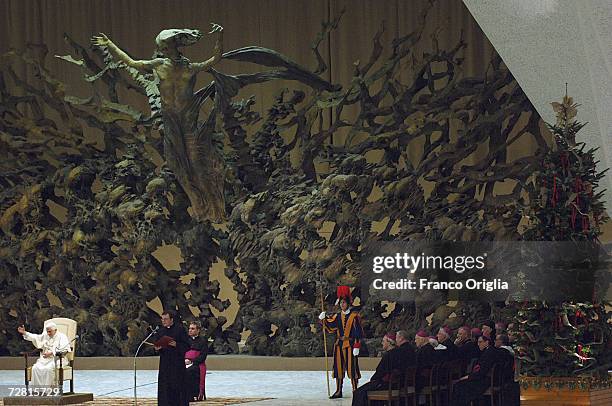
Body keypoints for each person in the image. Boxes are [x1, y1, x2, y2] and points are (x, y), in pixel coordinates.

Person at [319, 286, 364, 398]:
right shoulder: (337, 316)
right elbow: (330, 326)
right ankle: (339, 390)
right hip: (339, 345)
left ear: (348, 303)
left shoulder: (354, 317)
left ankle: (355, 390)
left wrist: (357, 346)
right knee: (338, 368)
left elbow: (358, 332)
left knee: (352, 368)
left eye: (344, 303)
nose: (342, 305)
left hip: (350, 345)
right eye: (341, 303)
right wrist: (323, 319)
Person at [17, 321, 71, 388]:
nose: (48, 333)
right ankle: (38, 390)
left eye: (50, 331)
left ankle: (49, 390)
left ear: (55, 330)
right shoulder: (45, 335)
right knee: (35, 368)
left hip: (58, 359)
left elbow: (65, 349)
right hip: (45, 359)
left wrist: (51, 353)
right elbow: (35, 337)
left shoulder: (62, 337)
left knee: (48, 369)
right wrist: (25, 333)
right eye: (47, 331)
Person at [153, 310, 190, 406]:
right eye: (162, 319)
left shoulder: (180, 330)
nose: (163, 321)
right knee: (165, 387)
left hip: (177, 364)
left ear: (172, 319)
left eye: (166, 319)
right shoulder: (160, 331)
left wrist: (177, 344)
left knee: (177, 386)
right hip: (165, 364)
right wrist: (157, 348)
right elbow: (156, 345)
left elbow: (187, 345)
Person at [351, 333, 399, 406]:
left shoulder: (388, 356)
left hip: (385, 384)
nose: (382, 343)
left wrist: (373, 379)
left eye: (383, 341)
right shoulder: (397, 353)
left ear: (389, 343)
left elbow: (380, 372)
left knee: (358, 393)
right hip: (393, 383)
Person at [451, 335, 498, 405]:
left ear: (487, 342)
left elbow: (482, 372)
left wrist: (468, 377)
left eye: (480, 342)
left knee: (459, 386)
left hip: (485, 380)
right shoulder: (488, 352)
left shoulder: (489, 353)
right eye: (478, 342)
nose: (478, 344)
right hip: (484, 378)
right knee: (459, 385)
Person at [185, 321, 208, 402]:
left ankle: (191, 395)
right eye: (189, 328)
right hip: (184, 362)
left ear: (198, 330)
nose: (190, 330)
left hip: (197, 364)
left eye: (193, 329)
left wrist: (191, 361)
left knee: (189, 371)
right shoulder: (185, 341)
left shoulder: (203, 341)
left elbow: (203, 356)